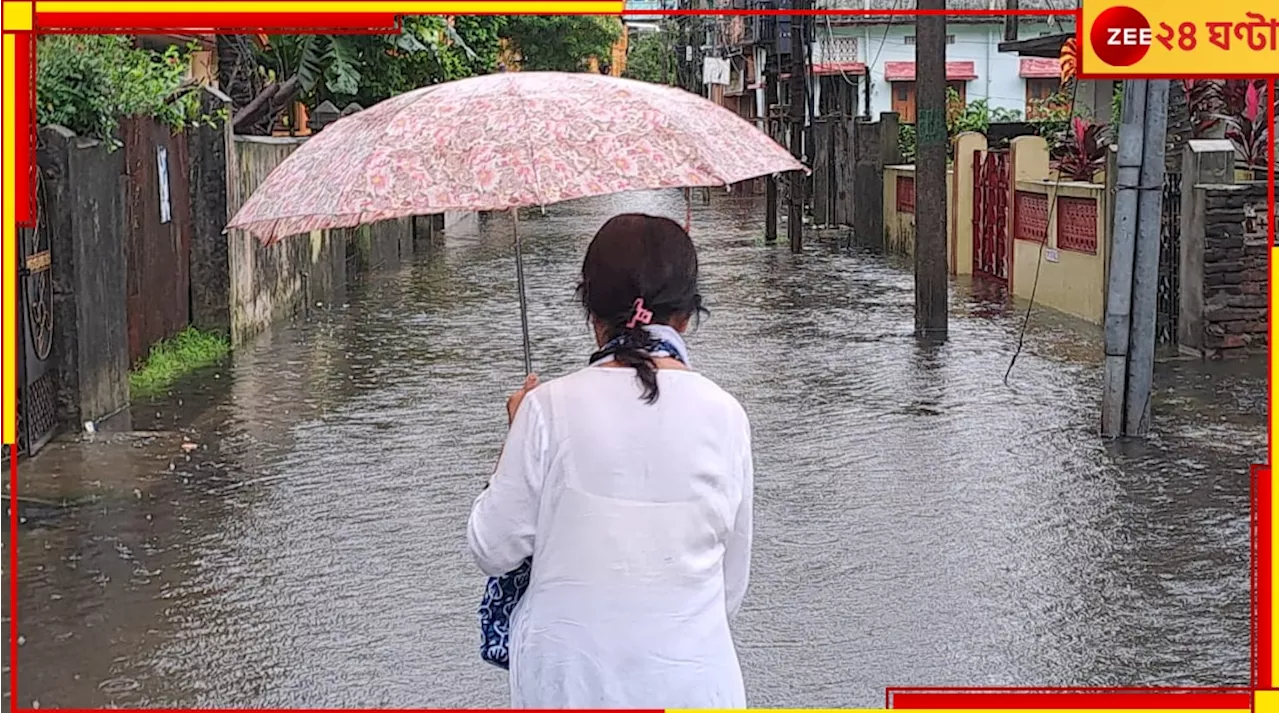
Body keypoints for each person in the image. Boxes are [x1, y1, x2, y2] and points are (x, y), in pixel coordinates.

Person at [467, 213, 755, 708]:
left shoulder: (545, 410)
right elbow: (731, 585)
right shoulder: (726, 415)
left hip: (567, 687)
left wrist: (514, 437)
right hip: (695, 686)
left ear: (591, 313)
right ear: (687, 315)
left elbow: (492, 548)